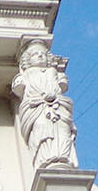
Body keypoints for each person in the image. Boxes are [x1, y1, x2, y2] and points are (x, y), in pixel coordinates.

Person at [12, 40, 78, 170]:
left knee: (61, 129)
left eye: (42, 54)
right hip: (37, 108)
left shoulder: (53, 72)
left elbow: (62, 85)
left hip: (57, 107)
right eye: (35, 54)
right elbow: (18, 87)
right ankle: (47, 160)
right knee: (42, 128)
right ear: (27, 60)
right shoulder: (25, 75)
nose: (40, 56)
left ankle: (60, 159)